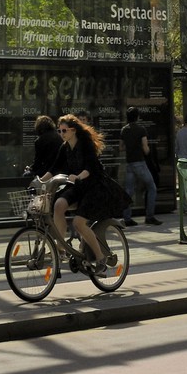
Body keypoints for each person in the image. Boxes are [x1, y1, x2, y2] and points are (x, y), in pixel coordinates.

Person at [45, 114, 111, 273]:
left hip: (93, 186)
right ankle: (61, 248)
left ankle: (101, 258)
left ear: (73, 130)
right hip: (76, 186)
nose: (61, 134)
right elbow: (54, 168)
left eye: (64, 131)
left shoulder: (85, 144)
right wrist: (40, 180)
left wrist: (79, 176)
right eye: (59, 131)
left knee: (78, 223)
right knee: (59, 205)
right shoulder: (65, 147)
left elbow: (91, 167)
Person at [119, 106, 160, 226]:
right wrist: (148, 154)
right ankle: (150, 216)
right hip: (140, 163)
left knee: (129, 191)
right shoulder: (141, 129)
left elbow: (121, 147)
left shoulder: (124, 130)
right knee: (152, 187)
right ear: (137, 117)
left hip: (129, 163)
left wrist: (129, 147)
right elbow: (145, 147)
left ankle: (127, 218)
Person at [28, 114, 63, 178]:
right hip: (60, 170)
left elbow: (38, 160)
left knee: (26, 176)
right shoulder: (60, 136)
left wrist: (31, 169)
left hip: (47, 171)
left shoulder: (40, 140)